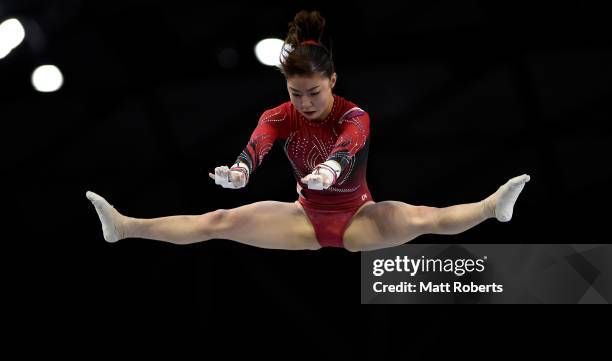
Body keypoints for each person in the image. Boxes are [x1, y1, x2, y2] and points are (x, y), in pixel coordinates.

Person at [86, 10, 530, 252]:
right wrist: (240, 171)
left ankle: (492, 206)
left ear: (332, 80)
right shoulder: (280, 115)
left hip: (359, 218)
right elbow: (257, 145)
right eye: (296, 93)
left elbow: (348, 148)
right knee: (216, 222)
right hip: (301, 220)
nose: (305, 103)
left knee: (426, 218)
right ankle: (125, 227)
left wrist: (331, 171)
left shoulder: (354, 115)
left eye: (313, 92)